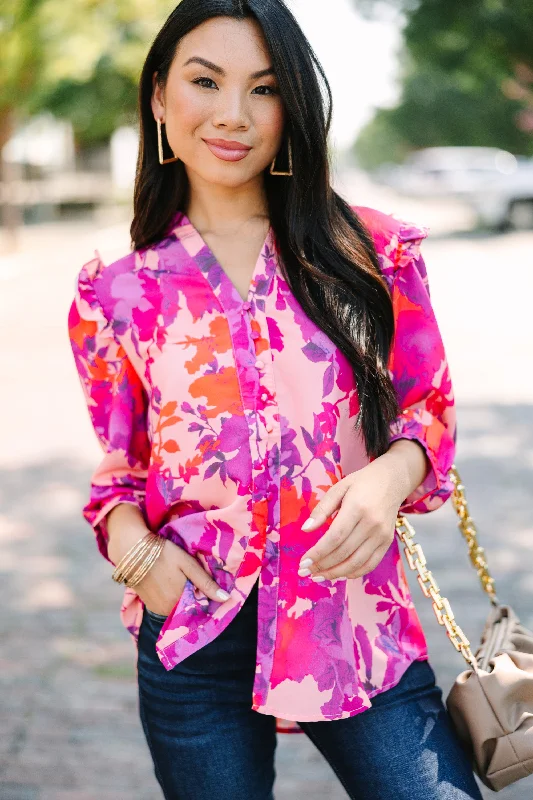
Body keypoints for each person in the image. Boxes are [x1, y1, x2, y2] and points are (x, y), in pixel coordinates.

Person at [67, 1, 484, 798]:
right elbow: (121, 474)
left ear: (291, 105)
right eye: (204, 81)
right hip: (195, 632)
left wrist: (388, 478)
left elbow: (426, 409)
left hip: (356, 625)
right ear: (159, 97)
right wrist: (141, 560)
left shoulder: (368, 251)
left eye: (263, 88)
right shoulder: (117, 294)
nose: (232, 114)